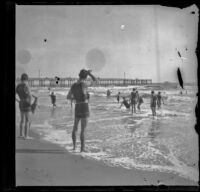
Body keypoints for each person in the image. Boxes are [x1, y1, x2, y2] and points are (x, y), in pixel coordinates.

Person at [70, 69, 96, 152]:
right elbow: (95, 80)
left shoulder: (73, 85)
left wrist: (76, 97)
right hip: (84, 106)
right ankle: (82, 149)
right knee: (83, 130)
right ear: (85, 77)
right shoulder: (84, 84)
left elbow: (69, 96)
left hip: (77, 106)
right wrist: (90, 74)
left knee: (75, 128)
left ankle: (74, 147)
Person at [16, 73, 33, 139]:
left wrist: (18, 101)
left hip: (21, 102)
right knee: (27, 120)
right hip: (26, 103)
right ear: (26, 79)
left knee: (22, 120)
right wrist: (30, 103)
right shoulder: (26, 86)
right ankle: (26, 136)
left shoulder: (18, 86)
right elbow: (30, 96)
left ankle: (21, 134)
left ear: (21, 79)